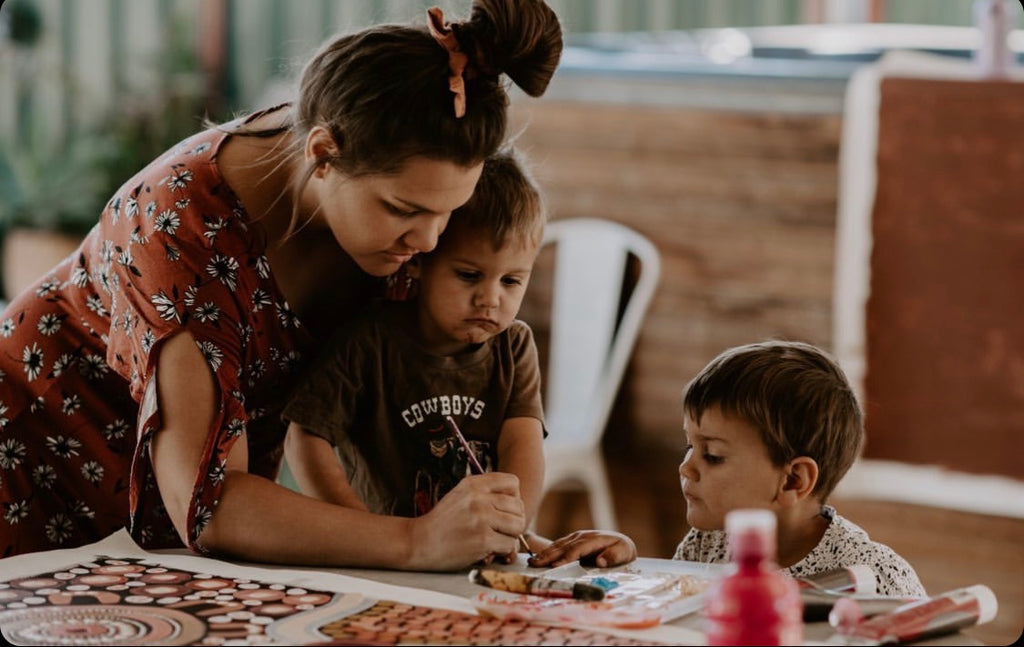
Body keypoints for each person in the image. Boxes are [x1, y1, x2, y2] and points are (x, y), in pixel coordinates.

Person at [0, 0, 562, 571]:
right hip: (27, 467)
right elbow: (210, 504)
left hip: (163, 548)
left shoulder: (397, 210)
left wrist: (510, 536)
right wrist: (415, 542)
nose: (428, 241)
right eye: (403, 210)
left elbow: (432, 394)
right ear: (322, 154)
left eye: (448, 213)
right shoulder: (181, 227)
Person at [281, 149, 547, 539]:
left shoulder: (514, 346)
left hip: (480, 549)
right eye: (469, 275)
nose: (490, 299)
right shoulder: (370, 341)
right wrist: (362, 530)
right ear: (419, 259)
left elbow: (522, 447)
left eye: (511, 281)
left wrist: (511, 524)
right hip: (389, 558)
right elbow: (303, 438)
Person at [530, 341, 928, 598]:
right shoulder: (708, 546)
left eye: (713, 455)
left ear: (793, 480)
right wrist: (627, 571)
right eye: (691, 446)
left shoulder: (876, 578)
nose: (687, 468)